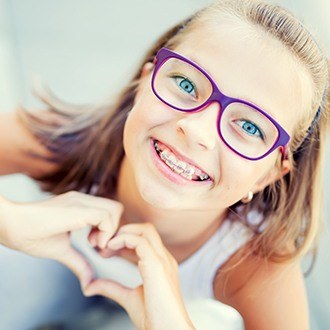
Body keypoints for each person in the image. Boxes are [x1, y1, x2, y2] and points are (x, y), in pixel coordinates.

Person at [0, 0, 329, 328]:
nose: (198, 132)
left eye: (249, 127)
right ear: (145, 82)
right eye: (186, 85)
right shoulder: (65, 140)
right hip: (57, 273)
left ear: (268, 175)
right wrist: (9, 220)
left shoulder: (255, 264)